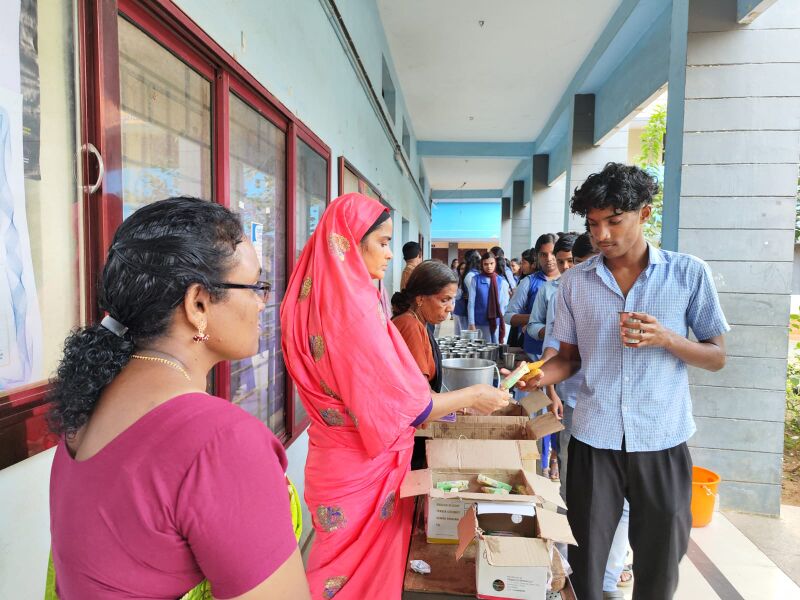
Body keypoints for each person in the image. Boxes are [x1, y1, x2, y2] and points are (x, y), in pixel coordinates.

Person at [47, 197, 308, 599]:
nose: (262, 302)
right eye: (255, 286)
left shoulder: (87, 406)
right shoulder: (220, 441)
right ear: (198, 303)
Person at [280, 194, 509, 600]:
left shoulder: (313, 300)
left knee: (333, 564)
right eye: (382, 242)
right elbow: (407, 405)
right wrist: (474, 393)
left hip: (331, 456)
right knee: (353, 574)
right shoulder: (355, 312)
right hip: (362, 461)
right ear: (349, 242)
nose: (390, 254)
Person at [535, 163, 729, 600]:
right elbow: (568, 360)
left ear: (644, 214)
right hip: (593, 440)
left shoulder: (687, 274)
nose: (602, 235)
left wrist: (666, 338)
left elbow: (717, 357)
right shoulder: (574, 284)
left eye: (613, 221)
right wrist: (534, 376)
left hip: (661, 438)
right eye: (593, 223)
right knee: (586, 561)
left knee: (660, 567)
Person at [391, 260, 510, 468]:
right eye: (444, 300)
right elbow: (422, 401)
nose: (450, 309)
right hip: (402, 436)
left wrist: (466, 407)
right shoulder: (409, 326)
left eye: (452, 300)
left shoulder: (419, 323)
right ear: (420, 299)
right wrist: (473, 397)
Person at [527, 233, 577, 481]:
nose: (566, 267)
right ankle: (549, 463)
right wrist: (545, 381)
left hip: (586, 395)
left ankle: (555, 462)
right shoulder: (552, 292)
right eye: (561, 261)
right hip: (557, 376)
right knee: (554, 428)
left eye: (572, 261)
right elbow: (551, 343)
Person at [504, 234, 559, 358]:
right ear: (537, 257)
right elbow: (508, 316)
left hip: (564, 352)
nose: (549, 258)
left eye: (553, 253)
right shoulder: (528, 282)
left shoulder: (570, 281)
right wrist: (536, 318)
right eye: (543, 254)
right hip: (535, 352)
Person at [467, 252, 510, 343]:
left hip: (496, 320)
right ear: (482, 264)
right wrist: (471, 323)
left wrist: (502, 321)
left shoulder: (501, 281)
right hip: (480, 321)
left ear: (495, 264)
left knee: (495, 347)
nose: (489, 266)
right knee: (480, 348)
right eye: (485, 264)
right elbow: (471, 303)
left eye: (491, 263)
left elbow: (503, 304)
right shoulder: (476, 279)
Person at [453, 250, 480, 336]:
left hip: (468, 312)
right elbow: (474, 297)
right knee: (465, 336)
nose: (480, 258)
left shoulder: (474, 273)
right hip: (464, 312)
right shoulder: (470, 275)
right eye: (478, 256)